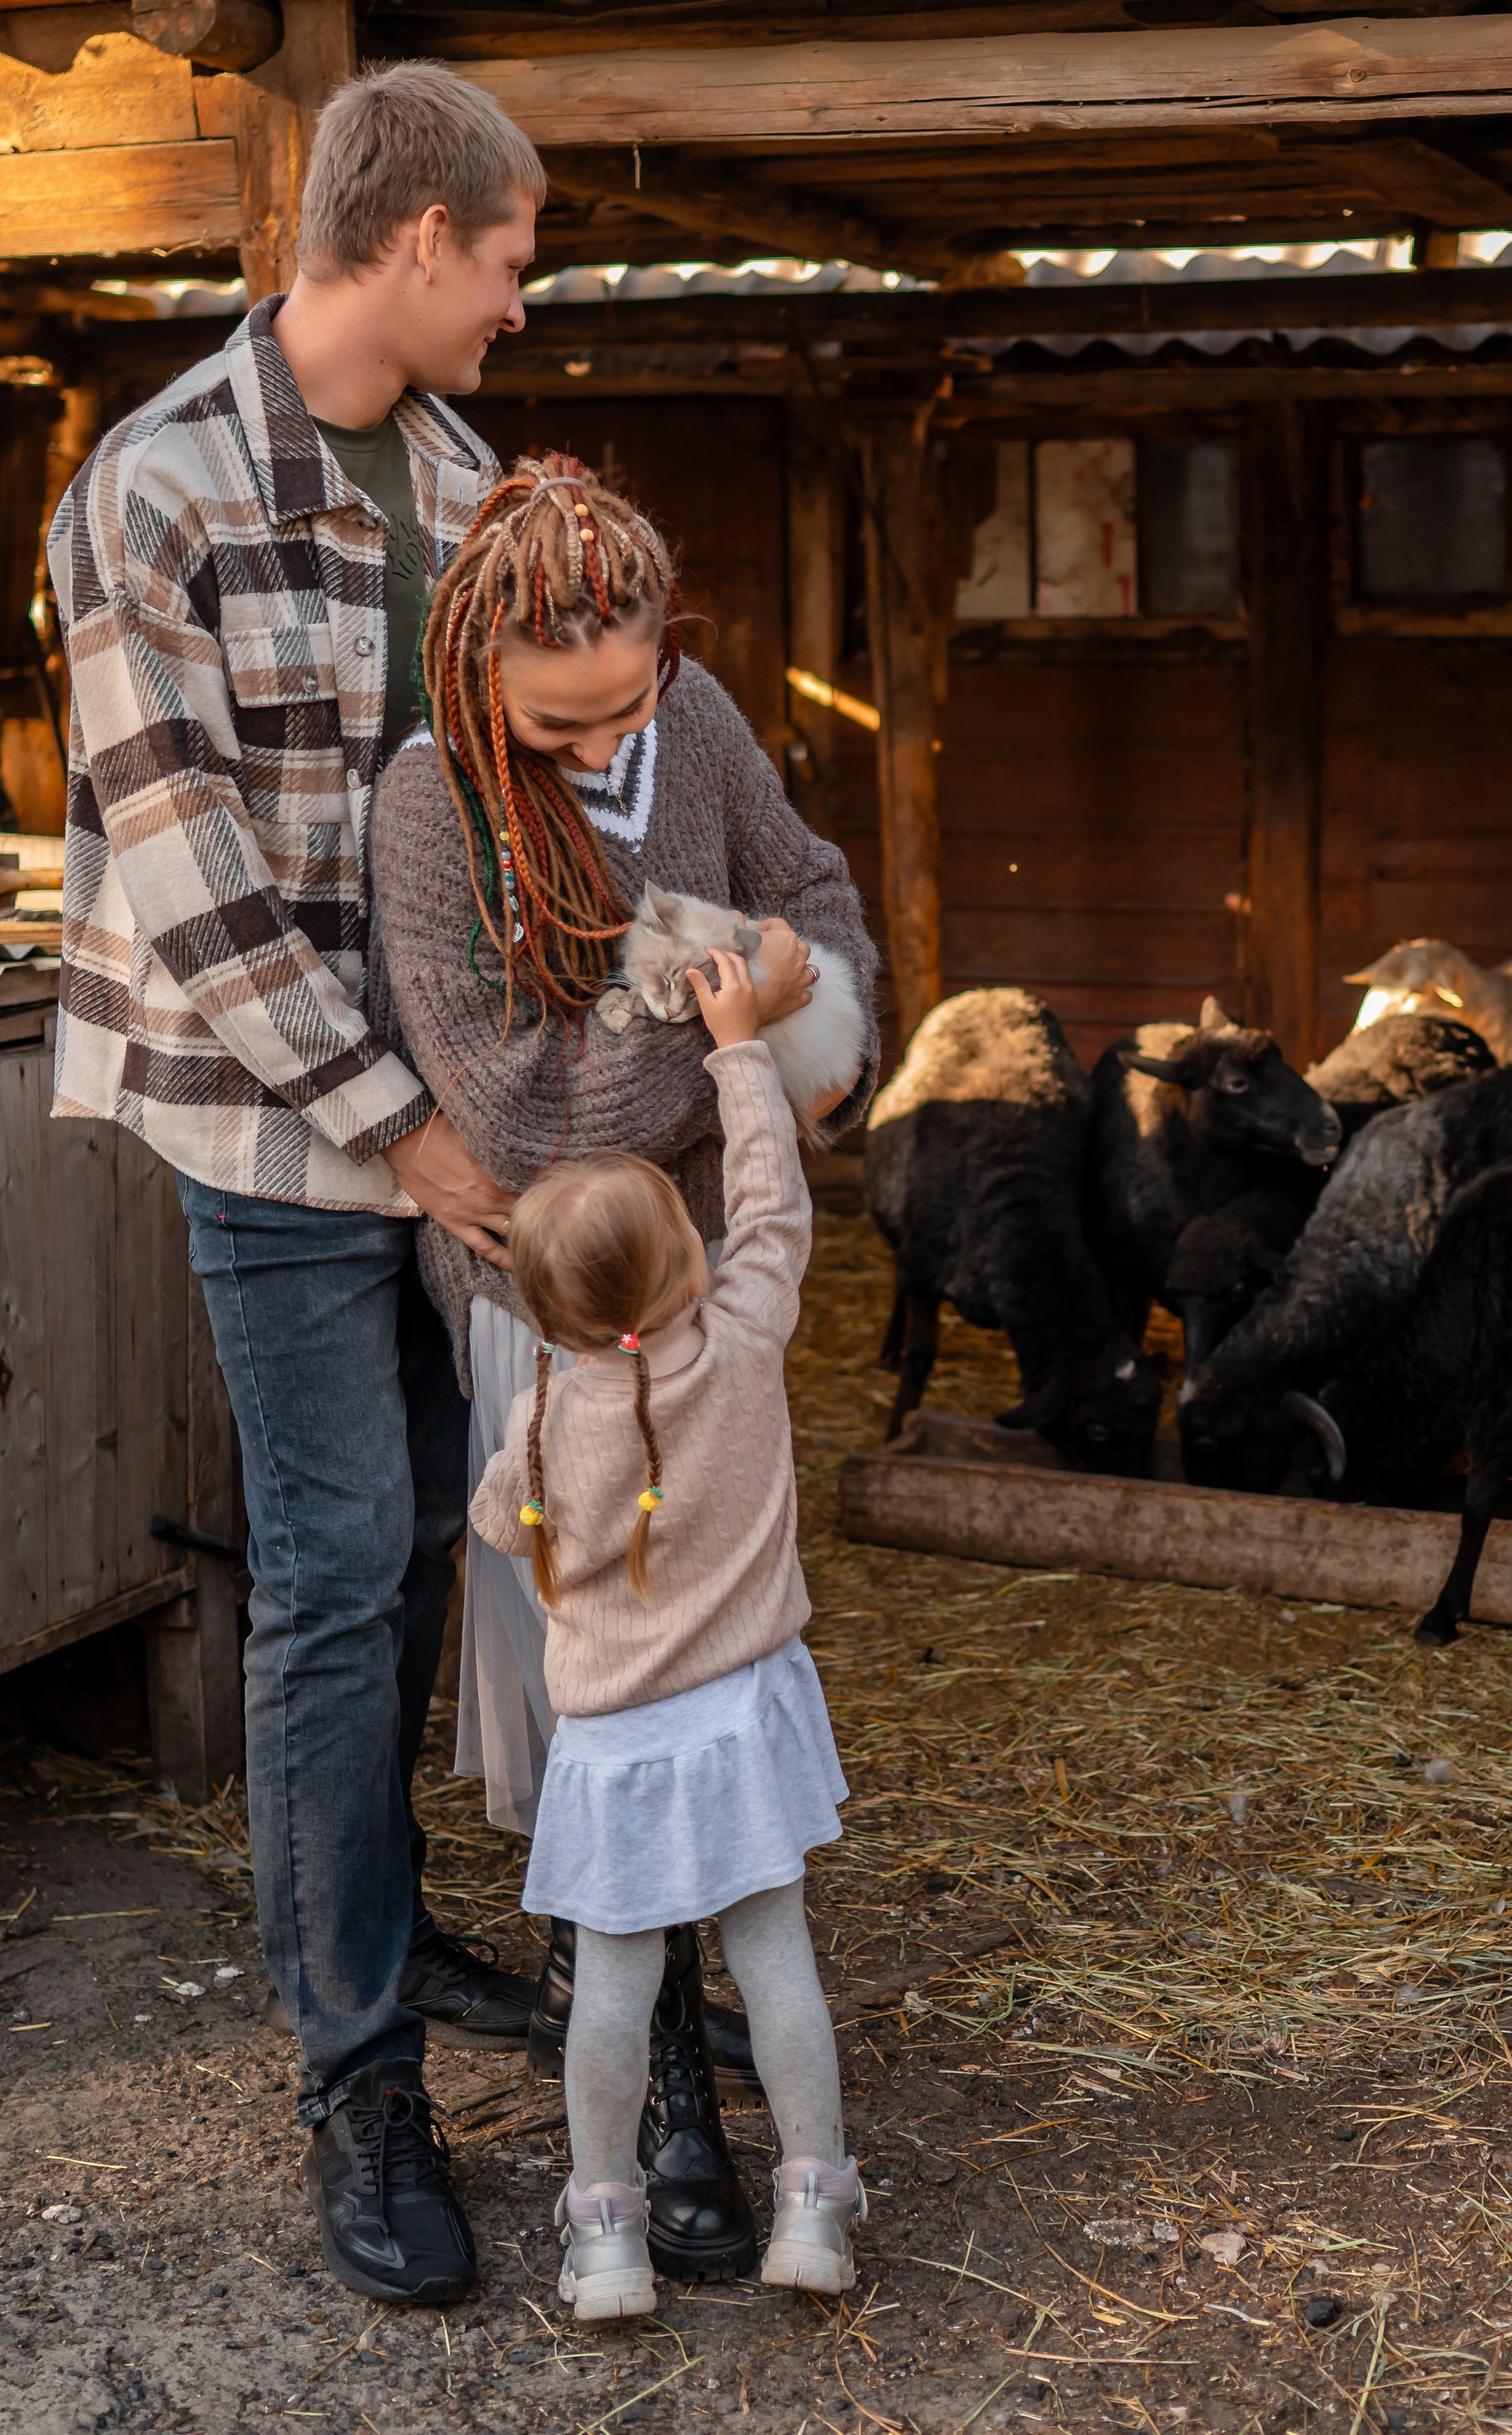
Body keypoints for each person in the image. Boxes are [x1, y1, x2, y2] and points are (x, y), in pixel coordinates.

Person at [49, 61, 550, 2307]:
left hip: (447, 1125)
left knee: (434, 1516)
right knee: (340, 1559)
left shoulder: (458, 478)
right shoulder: (150, 492)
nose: (526, 310)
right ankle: (355, 2073)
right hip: (272, 1121)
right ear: (423, 236)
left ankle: (383, 1905)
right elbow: (200, 894)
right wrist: (424, 1139)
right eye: (518, 263)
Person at [368, 451, 878, 2279]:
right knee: (588, 1700)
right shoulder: (430, 816)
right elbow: (509, 1109)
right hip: (553, 1287)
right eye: (559, 719)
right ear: (478, 667)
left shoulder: (704, 722)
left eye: (629, 700)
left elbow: (810, 890)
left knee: (690, 1642)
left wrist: (778, 978)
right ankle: (668, 2100)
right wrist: (734, 1023)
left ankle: (700, 2101)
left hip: (697, 1268)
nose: (603, 747)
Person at [470, 943, 865, 2322]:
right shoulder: (749, 1340)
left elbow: (499, 1529)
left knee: (615, 1996)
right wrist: (739, 1049)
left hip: (617, 1743)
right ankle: (815, 2202)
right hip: (746, 1716)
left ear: (554, 1316)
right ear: (692, 1267)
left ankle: (606, 2240)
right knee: (778, 1967)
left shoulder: (539, 1418)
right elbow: (774, 1206)